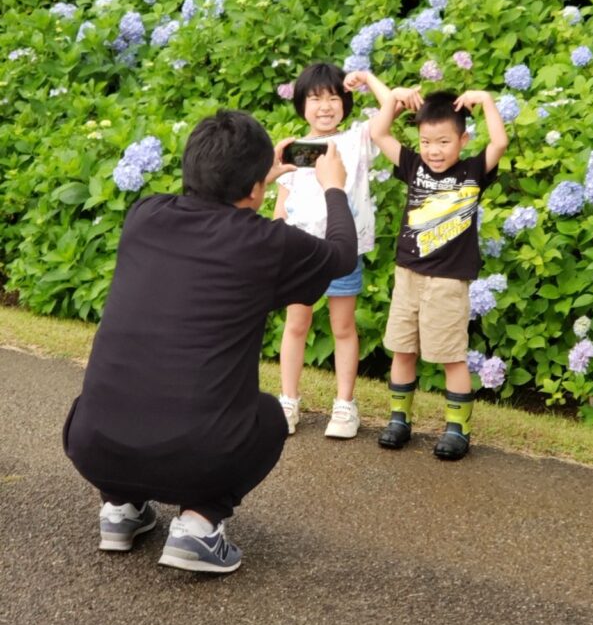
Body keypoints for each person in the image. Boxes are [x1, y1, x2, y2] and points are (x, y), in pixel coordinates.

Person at [63, 109, 357, 574]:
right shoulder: (266, 245)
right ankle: (199, 526)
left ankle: (120, 509)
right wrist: (334, 185)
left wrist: (257, 177)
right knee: (268, 417)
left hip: (93, 445)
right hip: (196, 458)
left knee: (121, 393)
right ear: (257, 188)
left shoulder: (145, 216)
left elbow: (210, 225)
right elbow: (342, 254)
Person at [370, 87, 508, 461]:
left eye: (444, 141)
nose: (434, 150)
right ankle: (399, 419)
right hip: (408, 275)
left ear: (463, 140)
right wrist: (396, 103)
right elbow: (379, 134)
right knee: (402, 348)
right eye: (426, 141)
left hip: (448, 281)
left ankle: (456, 428)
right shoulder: (414, 165)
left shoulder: (473, 171)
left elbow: (500, 141)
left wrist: (488, 103)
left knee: (451, 356)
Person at [276, 63, 393, 440]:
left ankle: (344, 405)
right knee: (296, 325)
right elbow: (282, 202)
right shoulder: (294, 149)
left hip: (343, 249)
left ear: (346, 102)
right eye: (314, 98)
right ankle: (288, 401)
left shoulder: (358, 140)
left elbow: (389, 106)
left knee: (343, 327)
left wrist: (367, 78)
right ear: (301, 105)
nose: (324, 106)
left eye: (333, 97)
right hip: (299, 252)